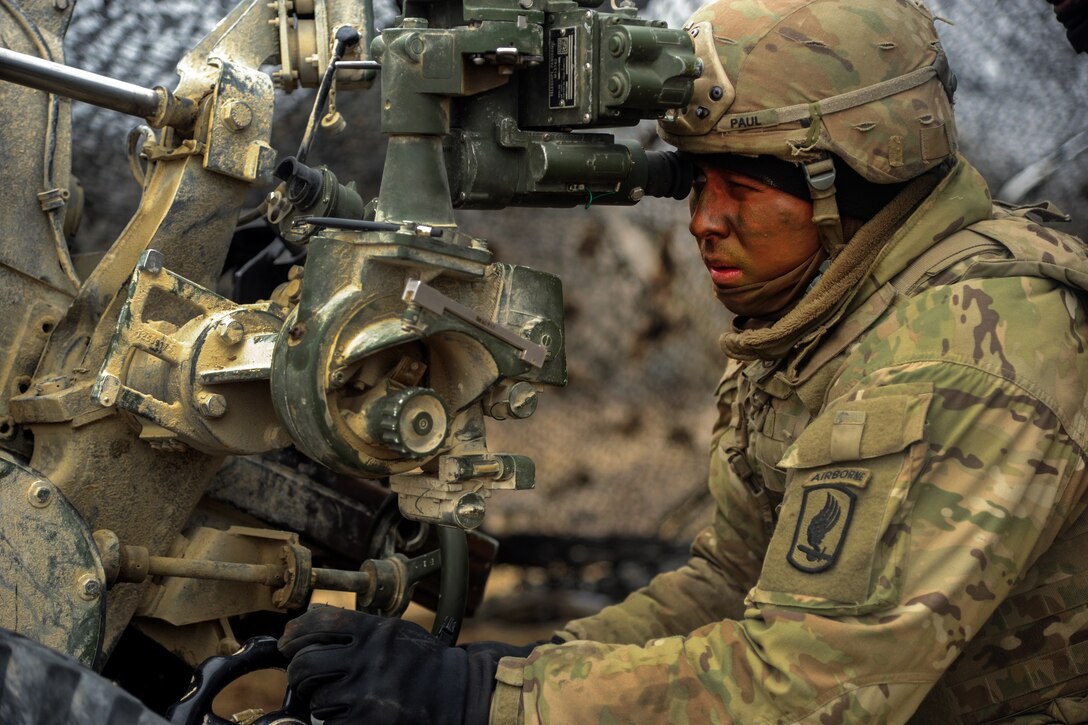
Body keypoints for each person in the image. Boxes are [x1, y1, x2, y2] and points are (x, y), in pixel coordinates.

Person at [277, 0, 1088, 722]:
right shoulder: (819, 310)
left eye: (745, 184)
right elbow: (730, 584)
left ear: (854, 172)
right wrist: (525, 672)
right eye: (699, 181)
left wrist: (493, 702)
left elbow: (811, 689)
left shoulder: (959, 350)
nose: (706, 221)